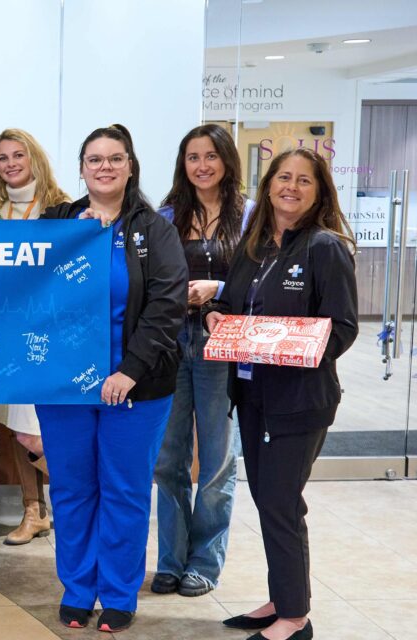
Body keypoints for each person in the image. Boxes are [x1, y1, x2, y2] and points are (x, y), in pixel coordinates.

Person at [37, 125, 187, 632]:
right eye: (94, 159)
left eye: (115, 158)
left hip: (136, 388)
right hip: (65, 387)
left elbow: (167, 306)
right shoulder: (57, 222)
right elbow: (24, 287)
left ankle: (120, 594)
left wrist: (130, 370)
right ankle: (78, 589)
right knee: (71, 490)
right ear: (81, 168)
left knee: (124, 491)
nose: (105, 167)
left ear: (130, 166)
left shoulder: (156, 231)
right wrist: (70, 241)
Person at [206, 148, 358, 640]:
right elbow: (230, 304)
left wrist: (292, 348)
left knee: (281, 502)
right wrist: (215, 317)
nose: (291, 187)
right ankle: (281, 599)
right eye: (284, 177)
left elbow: (343, 328)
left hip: (299, 400)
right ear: (269, 184)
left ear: (319, 192)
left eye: (304, 180)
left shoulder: (324, 247)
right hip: (252, 394)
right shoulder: (254, 246)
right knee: (270, 501)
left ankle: (295, 618)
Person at [151, 124, 247, 598]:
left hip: (221, 345)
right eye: (193, 157)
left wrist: (218, 290)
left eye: (211, 156)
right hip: (171, 344)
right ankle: (170, 561)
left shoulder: (250, 216)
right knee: (168, 459)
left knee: (216, 461)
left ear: (226, 160)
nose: (202, 165)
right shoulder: (166, 216)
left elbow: (259, 283)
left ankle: (205, 563)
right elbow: (149, 279)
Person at [0, 127, 68, 545]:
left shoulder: (63, 208)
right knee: (13, 424)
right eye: (2, 158)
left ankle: (81, 496)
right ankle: (34, 512)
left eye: (18, 155)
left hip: (49, 338)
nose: (11, 163)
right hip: (9, 336)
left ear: (34, 158)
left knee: (32, 429)